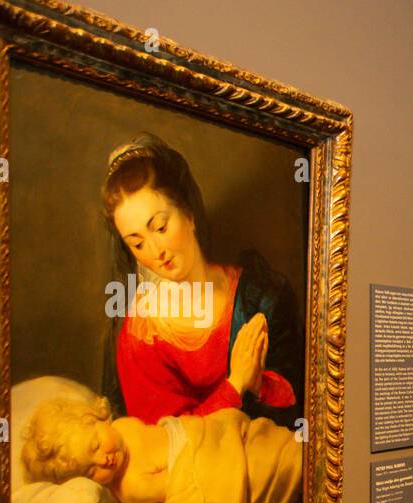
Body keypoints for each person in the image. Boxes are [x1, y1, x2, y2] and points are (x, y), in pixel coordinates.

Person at [99, 133, 304, 429]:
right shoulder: (141, 336)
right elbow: (164, 443)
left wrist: (259, 384)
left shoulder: (262, 296)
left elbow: (301, 410)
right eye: (138, 244)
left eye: (160, 226)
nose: (157, 252)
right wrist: (235, 385)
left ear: (189, 214)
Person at [21, 394, 302, 503]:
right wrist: (208, 453)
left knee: (261, 437)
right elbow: (184, 482)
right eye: (91, 471)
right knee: (268, 464)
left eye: (96, 445)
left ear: (95, 418)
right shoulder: (128, 487)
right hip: (203, 456)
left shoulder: (122, 427)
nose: (103, 460)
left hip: (211, 431)